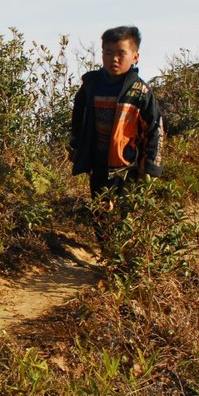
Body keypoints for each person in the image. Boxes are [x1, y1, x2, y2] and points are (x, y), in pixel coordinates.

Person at [69, 25, 164, 238]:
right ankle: (105, 253)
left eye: (121, 53)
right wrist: (75, 146)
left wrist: (150, 167)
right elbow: (78, 118)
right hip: (97, 161)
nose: (114, 59)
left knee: (122, 212)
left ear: (135, 56)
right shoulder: (91, 85)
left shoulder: (140, 92)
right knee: (100, 208)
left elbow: (155, 130)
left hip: (126, 164)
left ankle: (121, 260)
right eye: (108, 53)